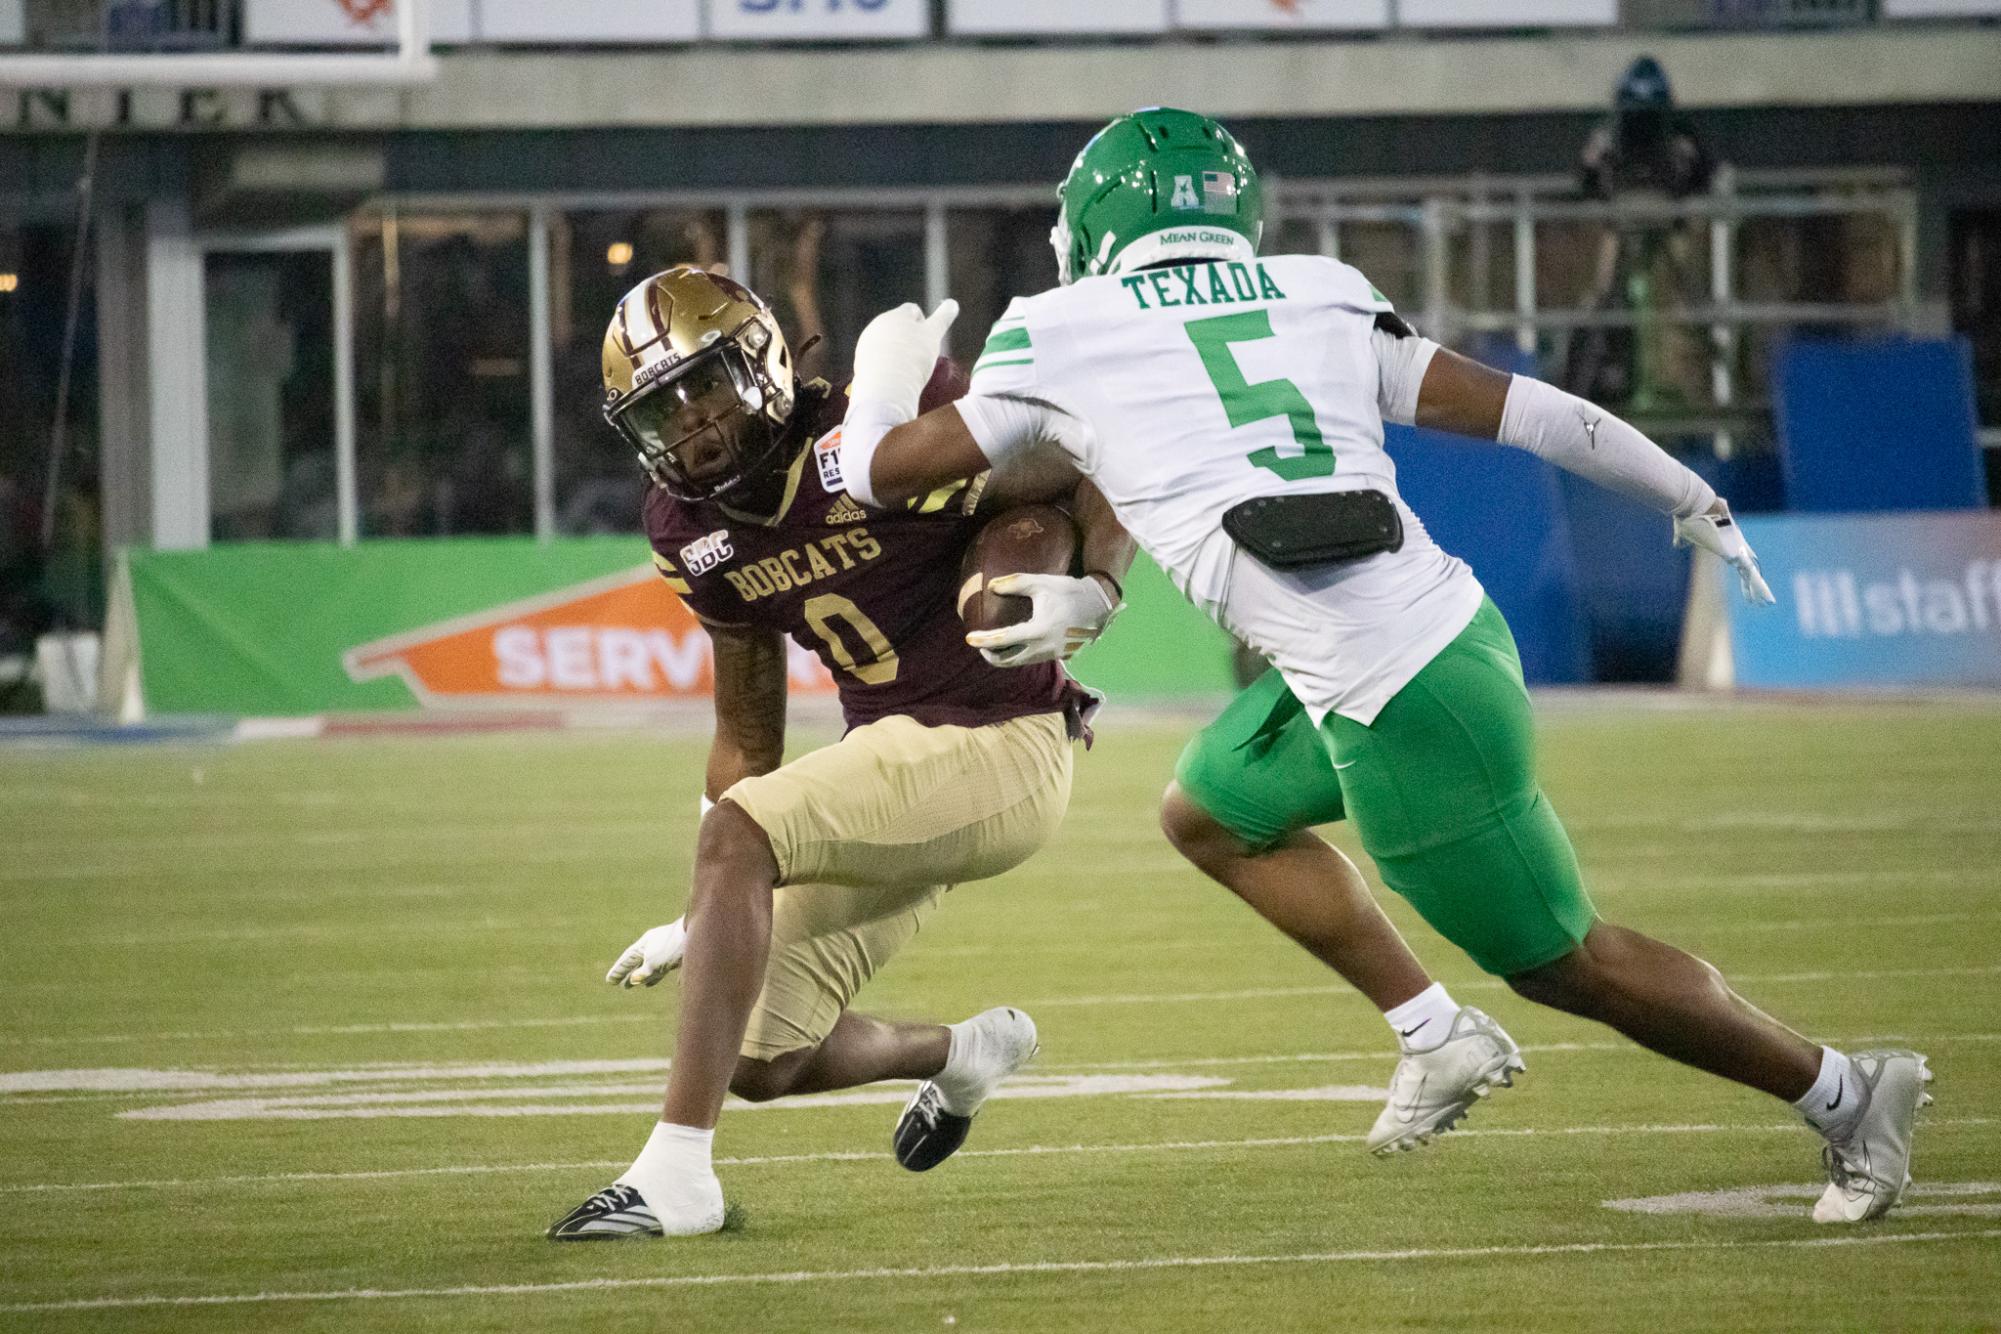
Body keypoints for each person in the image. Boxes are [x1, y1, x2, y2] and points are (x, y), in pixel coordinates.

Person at [836, 109, 1932, 1225]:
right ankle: (1432, 1031)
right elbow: (1527, 411)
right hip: (1434, 636)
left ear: (1095, 221)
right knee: (1209, 807)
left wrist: (884, 367)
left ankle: (1846, 1092)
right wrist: (1690, 494)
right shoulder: (1316, 290)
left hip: (1402, 703)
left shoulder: (1062, 327)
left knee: (1567, 961)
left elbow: (876, 473)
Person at [545, 268, 1133, 1240]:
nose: (689, 425)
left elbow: (1095, 462)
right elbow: (747, 729)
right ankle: (962, 1052)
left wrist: (1096, 579)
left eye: (704, 387)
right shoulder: (687, 527)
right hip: (901, 770)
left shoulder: (882, 429)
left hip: (999, 740)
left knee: (743, 835)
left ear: (765, 360)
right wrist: (709, 901)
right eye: (662, 410)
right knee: (759, 1050)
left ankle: (675, 1174)